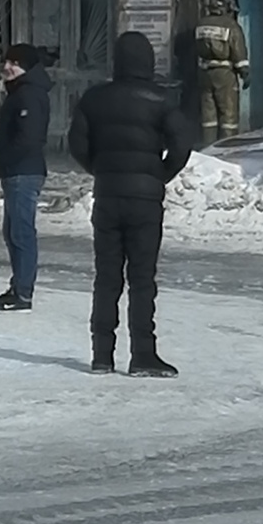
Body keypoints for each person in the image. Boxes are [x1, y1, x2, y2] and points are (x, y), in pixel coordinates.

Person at [68, 30, 191, 377]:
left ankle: (101, 355)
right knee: (141, 279)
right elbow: (182, 145)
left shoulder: (94, 99)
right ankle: (142, 355)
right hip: (146, 199)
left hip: (107, 195)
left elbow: (77, 144)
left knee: (106, 277)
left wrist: (101, 170)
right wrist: (158, 175)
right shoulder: (162, 100)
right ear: (149, 62)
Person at [0, 44, 51, 311]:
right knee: (13, 231)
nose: (7, 67)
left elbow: (29, 137)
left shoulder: (29, 94)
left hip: (23, 172)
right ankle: (17, 287)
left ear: (27, 67)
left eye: (15, 63)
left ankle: (23, 293)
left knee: (22, 232)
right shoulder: (20, 92)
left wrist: (7, 159)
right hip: (16, 172)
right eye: (6, 61)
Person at [195, 0, 251, 142]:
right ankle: (228, 146)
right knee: (228, 115)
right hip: (224, 75)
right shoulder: (230, 26)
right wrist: (245, 72)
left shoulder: (201, 24)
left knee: (208, 114)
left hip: (204, 73)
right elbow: (238, 51)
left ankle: (208, 147)